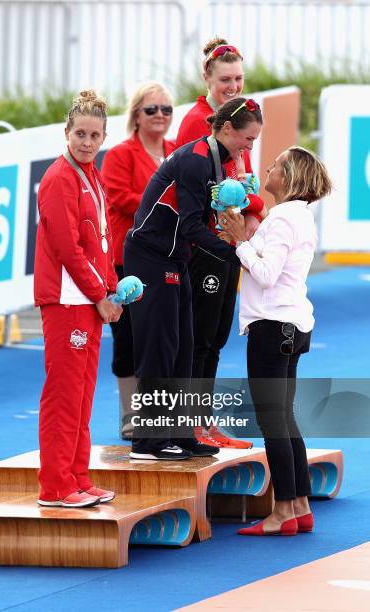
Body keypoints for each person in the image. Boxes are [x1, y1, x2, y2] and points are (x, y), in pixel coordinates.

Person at [124, 97, 263, 461]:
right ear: (228, 129)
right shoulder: (196, 159)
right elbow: (189, 224)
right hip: (150, 256)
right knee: (160, 348)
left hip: (176, 257)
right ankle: (146, 441)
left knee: (185, 348)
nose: (250, 148)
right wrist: (236, 254)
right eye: (248, 139)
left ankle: (182, 433)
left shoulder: (221, 159)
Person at [219, 146, 332, 535]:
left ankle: (283, 510)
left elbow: (266, 273)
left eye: (276, 165)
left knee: (273, 422)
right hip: (291, 324)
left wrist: (239, 241)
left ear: (289, 177)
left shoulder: (283, 218)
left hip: (274, 326)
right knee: (284, 418)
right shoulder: (300, 216)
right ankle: (298, 505)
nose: (267, 168)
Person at [34, 90, 123, 508]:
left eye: (95, 135)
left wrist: (111, 291)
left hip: (86, 300)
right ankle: (55, 485)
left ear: (103, 137)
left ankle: (78, 476)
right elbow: (68, 248)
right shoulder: (58, 178)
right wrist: (98, 294)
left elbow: (100, 243)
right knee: (64, 395)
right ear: (66, 133)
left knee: (83, 394)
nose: (87, 142)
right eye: (80, 134)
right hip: (66, 301)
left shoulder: (91, 174)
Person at [176, 37, 265, 450]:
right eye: (225, 79)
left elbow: (243, 186)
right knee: (201, 336)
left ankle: (204, 423)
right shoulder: (201, 122)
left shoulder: (238, 120)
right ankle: (191, 424)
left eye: (239, 78)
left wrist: (251, 207)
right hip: (205, 247)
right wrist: (254, 204)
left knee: (214, 337)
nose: (233, 85)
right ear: (207, 79)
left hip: (225, 244)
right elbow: (223, 193)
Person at [101, 82, 175, 439]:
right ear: (135, 116)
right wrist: (167, 204)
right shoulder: (120, 154)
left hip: (169, 261)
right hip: (126, 262)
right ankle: (131, 414)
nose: (159, 115)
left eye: (165, 109)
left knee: (163, 340)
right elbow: (119, 199)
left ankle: (159, 412)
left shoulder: (176, 151)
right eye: (151, 109)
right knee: (128, 338)